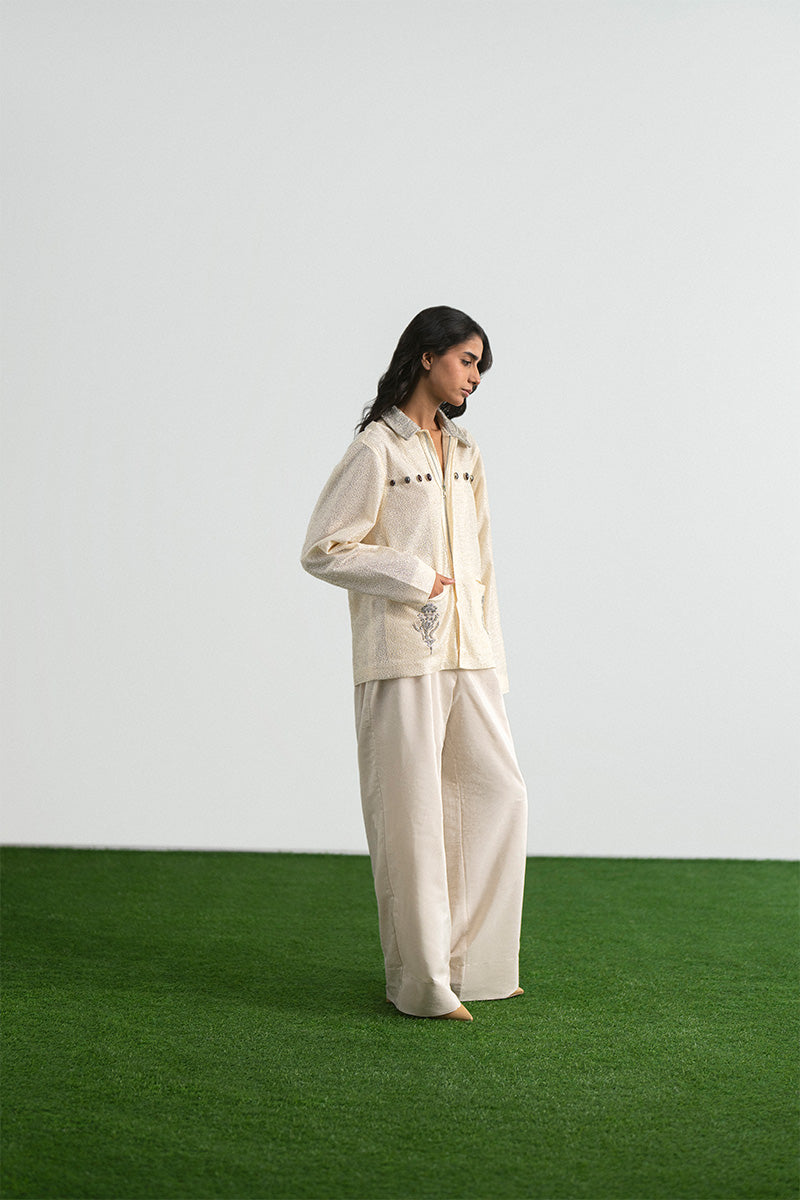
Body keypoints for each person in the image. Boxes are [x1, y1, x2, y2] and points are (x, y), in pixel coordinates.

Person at [300, 305, 528, 1021]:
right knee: (413, 818)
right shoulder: (378, 449)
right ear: (428, 357)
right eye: (467, 360)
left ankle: (477, 968)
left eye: (481, 366)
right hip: (402, 657)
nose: (475, 377)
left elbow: (483, 565)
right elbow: (324, 548)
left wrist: (492, 656)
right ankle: (423, 984)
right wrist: (416, 577)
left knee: (500, 796)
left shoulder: (465, 453)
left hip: (469, 654)